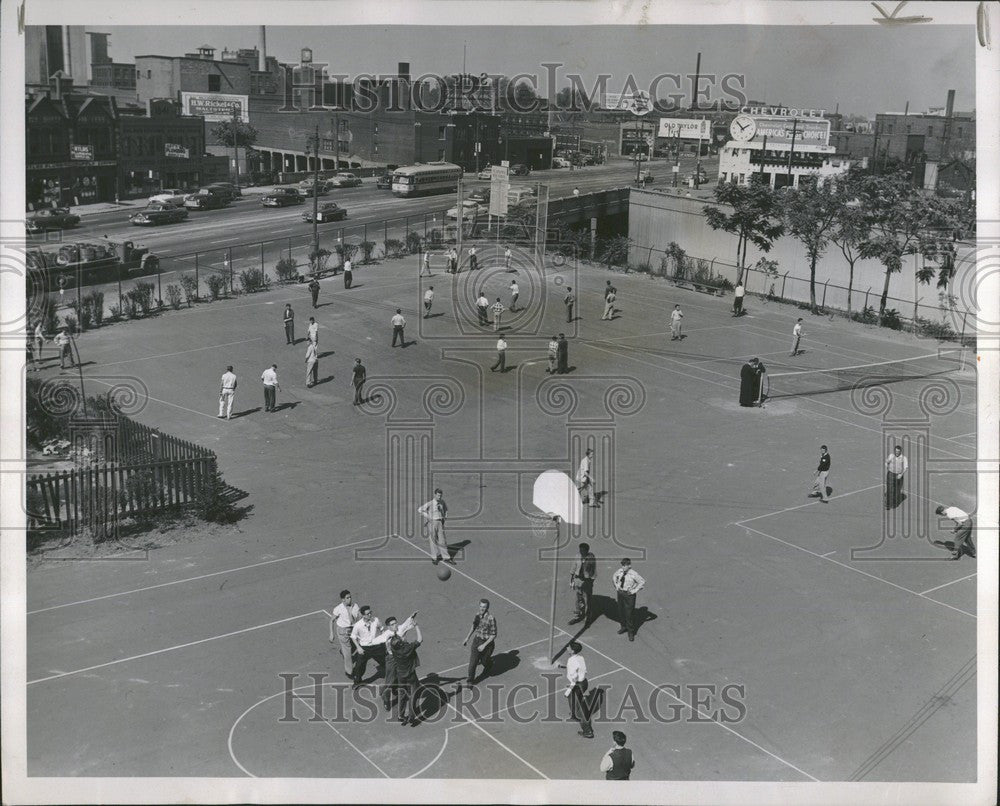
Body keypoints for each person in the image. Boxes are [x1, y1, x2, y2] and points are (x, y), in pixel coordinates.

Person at [389, 620, 422, 726]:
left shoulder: (393, 648)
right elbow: (420, 639)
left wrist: (407, 626)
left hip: (400, 675)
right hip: (410, 675)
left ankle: (401, 715)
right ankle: (412, 716)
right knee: (413, 693)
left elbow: (397, 637)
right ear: (401, 643)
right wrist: (416, 626)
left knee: (402, 694)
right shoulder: (407, 648)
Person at [461, 598, 497, 686]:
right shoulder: (477, 615)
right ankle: (470, 681)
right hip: (477, 641)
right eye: (480, 606)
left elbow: (493, 635)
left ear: (487, 607)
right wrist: (467, 638)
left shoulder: (491, 618)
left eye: (484, 607)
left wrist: (484, 645)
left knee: (484, 661)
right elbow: (474, 626)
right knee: (473, 663)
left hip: (487, 644)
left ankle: (489, 665)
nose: (481, 608)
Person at [350, 606, 386, 687]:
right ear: (363, 615)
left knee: (385, 661)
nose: (370, 615)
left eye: (370, 612)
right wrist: (358, 647)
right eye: (368, 614)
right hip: (364, 648)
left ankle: (393, 676)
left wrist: (382, 637)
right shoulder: (358, 625)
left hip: (376, 646)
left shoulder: (375, 620)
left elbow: (382, 628)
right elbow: (353, 637)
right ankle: (357, 682)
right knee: (359, 666)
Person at [612, 558, 645, 642]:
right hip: (621, 593)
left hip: (629, 595)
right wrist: (616, 586)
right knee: (621, 611)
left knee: (629, 613)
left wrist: (634, 591)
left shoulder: (633, 574)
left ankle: (631, 632)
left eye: (624, 565)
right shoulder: (620, 571)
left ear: (629, 565)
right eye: (622, 565)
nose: (623, 567)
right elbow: (614, 576)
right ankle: (623, 626)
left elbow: (642, 582)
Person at [329, 589, 360, 678]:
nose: (350, 599)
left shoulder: (355, 606)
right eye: (347, 598)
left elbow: (356, 619)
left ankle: (344, 650)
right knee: (348, 651)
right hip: (342, 630)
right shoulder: (338, 608)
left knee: (355, 645)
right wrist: (331, 634)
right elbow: (331, 620)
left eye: (350, 597)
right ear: (343, 599)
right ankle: (349, 671)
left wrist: (352, 613)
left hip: (352, 629)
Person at [565, 641, 593, 738]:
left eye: (568, 647)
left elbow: (574, 676)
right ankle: (573, 714)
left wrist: (571, 686)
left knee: (580, 710)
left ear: (572, 651)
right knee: (570, 698)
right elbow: (582, 669)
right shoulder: (580, 658)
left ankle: (588, 731)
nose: (567, 648)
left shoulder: (571, 661)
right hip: (584, 683)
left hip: (577, 685)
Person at [418, 488, 450, 564]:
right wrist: (428, 516)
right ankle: (434, 558)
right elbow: (419, 510)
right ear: (435, 495)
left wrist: (444, 517)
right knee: (433, 540)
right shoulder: (430, 503)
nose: (440, 497)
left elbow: (446, 510)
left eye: (441, 496)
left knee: (442, 540)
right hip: (432, 522)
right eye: (438, 495)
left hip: (440, 522)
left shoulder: (442, 502)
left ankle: (446, 557)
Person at [569, 542, 596, 626]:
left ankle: (587, 618)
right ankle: (578, 615)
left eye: (583, 550)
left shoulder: (591, 558)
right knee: (578, 599)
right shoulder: (577, 556)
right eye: (580, 550)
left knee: (587, 600)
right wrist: (571, 580)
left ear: (587, 551)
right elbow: (573, 567)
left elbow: (593, 571)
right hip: (578, 580)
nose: (581, 552)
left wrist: (591, 581)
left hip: (587, 581)